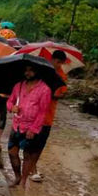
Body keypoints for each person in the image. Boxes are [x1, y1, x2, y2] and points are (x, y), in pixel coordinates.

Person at [6, 65, 53, 189]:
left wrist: (34, 129)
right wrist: (12, 107)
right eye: (26, 70)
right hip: (17, 125)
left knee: (28, 155)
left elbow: (43, 112)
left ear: (37, 72)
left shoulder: (45, 90)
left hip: (31, 127)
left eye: (31, 70)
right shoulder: (19, 86)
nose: (28, 73)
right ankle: (17, 177)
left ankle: (23, 182)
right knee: (12, 152)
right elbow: (10, 101)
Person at [31, 50, 69, 182]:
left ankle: (32, 166)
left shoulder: (62, 76)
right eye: (57, 62)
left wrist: (52, 94)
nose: (59, 65)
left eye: (61, 63)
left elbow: (60, 94)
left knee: (40, 143)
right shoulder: (41, 71)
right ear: (52, 59)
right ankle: (30, 167)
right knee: (31, 141)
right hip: (33, 112)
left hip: (48, 114)